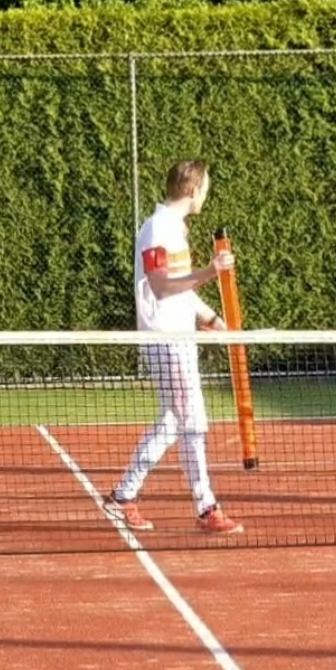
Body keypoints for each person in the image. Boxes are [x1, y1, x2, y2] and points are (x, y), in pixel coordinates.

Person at [104, 159, 244, 534]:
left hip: (180, 338)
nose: (207, 194)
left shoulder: (174, 230)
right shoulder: (157, 230)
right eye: (206, 187)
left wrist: (211, 318)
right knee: (193, 421)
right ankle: (206, 506)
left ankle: (123, 495)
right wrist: (211, 272)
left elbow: (179, 290)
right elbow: (162, 285)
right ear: (193, 190)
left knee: (173, 420)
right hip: (165, 341)